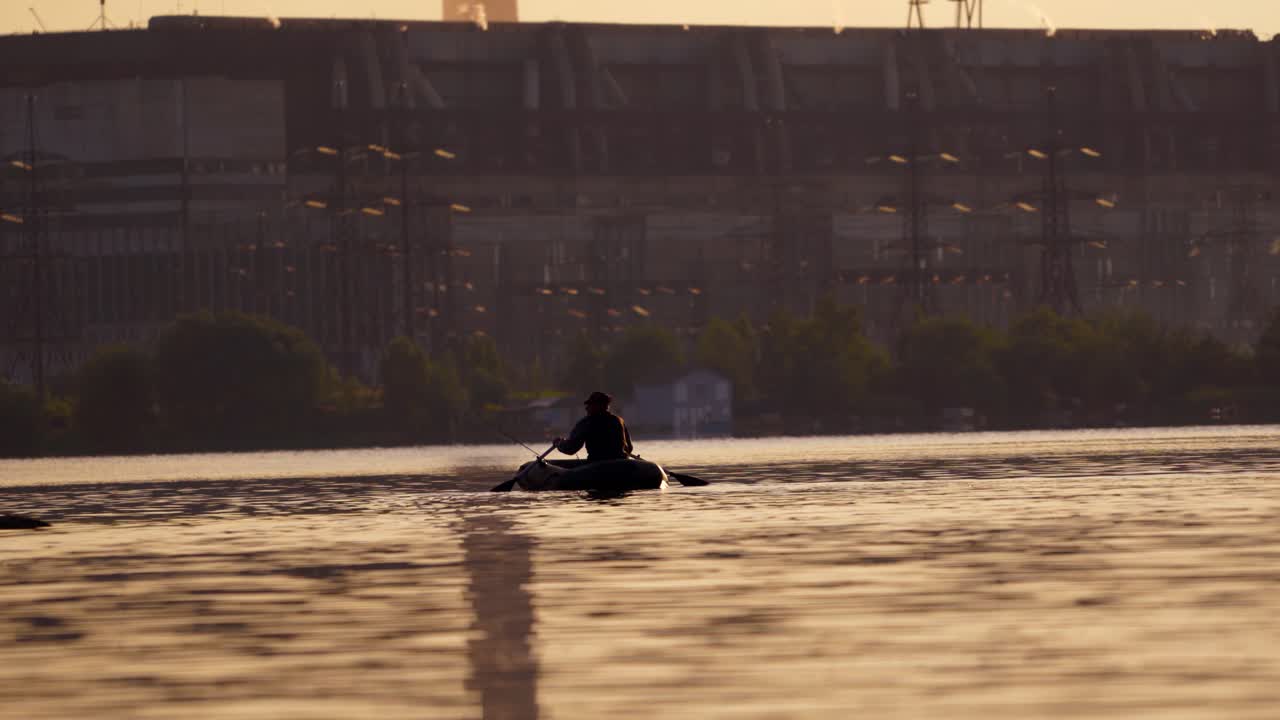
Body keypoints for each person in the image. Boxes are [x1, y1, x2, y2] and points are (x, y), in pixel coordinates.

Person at [553, 391, 633, 462]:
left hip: (597, 466)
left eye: (590, 405)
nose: (586, 408)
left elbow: (571, 448)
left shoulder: (587, 423)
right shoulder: (618, 420)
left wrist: (558, 443)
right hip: (621, 464)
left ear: (599, 406)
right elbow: (629, 448)